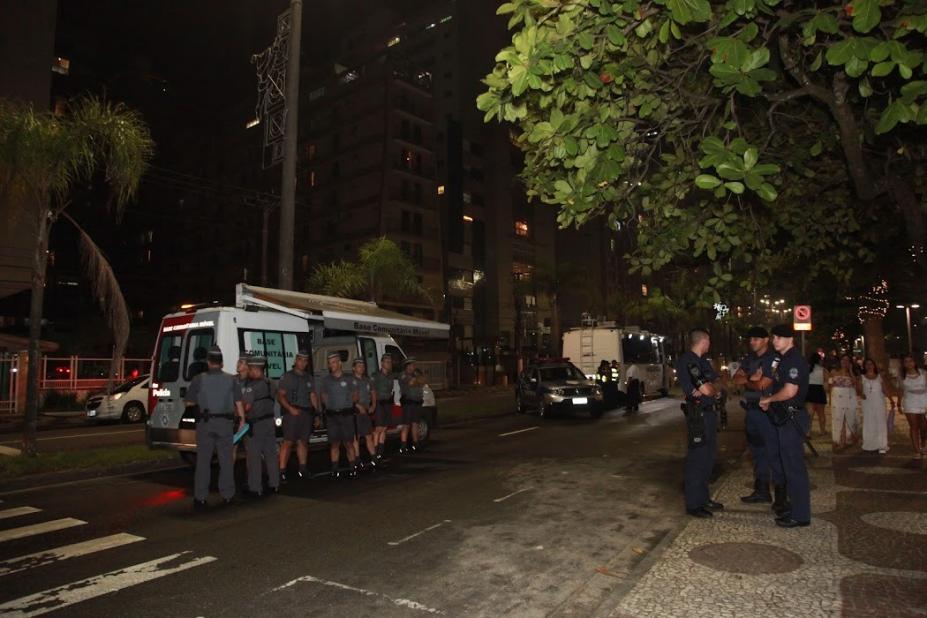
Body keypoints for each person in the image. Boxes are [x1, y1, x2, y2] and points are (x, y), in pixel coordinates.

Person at [760, 325, 811, 528]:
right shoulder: (782, 360)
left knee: (794, 468)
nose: (774, 341)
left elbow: (790, 391)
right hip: (785, 417)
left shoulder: (794, 360)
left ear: (790, 339)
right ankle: (796, 508)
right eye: (774, 337)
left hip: (793, 417)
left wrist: (769, 399)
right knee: (789, 466)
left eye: (779, 337)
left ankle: (801, 515)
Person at [184, 345, 243, 509]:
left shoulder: (198, 379)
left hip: (205, 424)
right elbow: (239, 403)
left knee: (203, 462)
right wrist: (242, 421)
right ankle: (228, 495)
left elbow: (189, 402)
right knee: (226, 461)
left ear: (209, 362)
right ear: (222, 363)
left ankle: (200, 498)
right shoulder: (232, 380)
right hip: (225, 424)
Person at [675, 328, 724, 518]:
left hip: (710, 414)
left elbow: (718, 383)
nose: (709, 344)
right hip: (698, 416)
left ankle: (704, 498)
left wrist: (711, 388)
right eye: (709, 341)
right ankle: (694, 504)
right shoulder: (688, 361)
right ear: (703, 341)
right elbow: (708, 389)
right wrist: (710, 388)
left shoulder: (702, 361)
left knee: (709, 457)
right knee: (697, 459)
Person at [732, 327, 783, 508]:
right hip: (751, 410)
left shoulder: (773, 358)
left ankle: (781, 498)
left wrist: (749, 380)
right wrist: (750, 379)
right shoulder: (749, 358)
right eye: (751, 339)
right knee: (757, 452)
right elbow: (736, 379)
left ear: (766, 340)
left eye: (756, 339)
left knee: (773, 453)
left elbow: (763, 385)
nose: (752, 342)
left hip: (767, 411)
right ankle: (761, 491)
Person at [277, 349, 318, 482]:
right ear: (295, 361)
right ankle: (281, 471)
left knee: (303, 442)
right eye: (300, 359)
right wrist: (289, 408)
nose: (302, 362)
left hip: (306, 413)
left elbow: (312, 396)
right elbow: (280, 396)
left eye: (305, 360)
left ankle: (302, 469)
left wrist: (316, 414)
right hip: (292, 413)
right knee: (288, 442)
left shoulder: (308, 378)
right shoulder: (287, 376)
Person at [241, 355, 280, 497]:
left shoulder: (252, 387)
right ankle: (274, 484)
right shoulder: (271, 383)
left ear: (256, 370)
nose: (249, 372)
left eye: (250, 369)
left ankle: (255, 487)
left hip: (256, 424)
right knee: (270, 455)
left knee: (254, 456)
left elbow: (247, 406)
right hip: (269, 423)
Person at [320, 351, 359, 478]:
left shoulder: (349, 378)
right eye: (329, 363)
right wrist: (331, 406)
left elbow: (355, 396)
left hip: (346, 416)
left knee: (348, 443)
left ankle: (353, 468)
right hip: (332, 417)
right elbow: (323, 396)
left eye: (333, 362)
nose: (331, 365)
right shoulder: (326, 380)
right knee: (334, 444)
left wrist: (345, 404)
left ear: (339, 363)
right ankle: (334, 469)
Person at [828, 354, 861, 450]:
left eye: (847, 360)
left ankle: (851, 438)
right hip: (837, 399)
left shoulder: (853, 373)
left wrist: (850, 370)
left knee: (849, 419)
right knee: (839, 420)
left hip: (849, 398)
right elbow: (830, 386)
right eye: (843, 360)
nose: (845, 362)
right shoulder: (834, 372)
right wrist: (830, 400)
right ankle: (840, 441)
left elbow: (856, 384)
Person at [350, 358, 377, 470]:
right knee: (356, 437)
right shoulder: (350, 380)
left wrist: (373, 405)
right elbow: (348, 396)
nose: (362, 368)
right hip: (355, 412)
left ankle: (375, 459)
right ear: (353, 368)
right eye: (359, 365)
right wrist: (357, 405)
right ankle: (357, 460)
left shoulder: (367, 380)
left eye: (363, 365)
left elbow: (373, 392)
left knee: (368, 435)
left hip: (366, 411)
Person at [899, 354, 927, 459]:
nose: (909, 363)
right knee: (914, 427)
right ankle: (916, 450)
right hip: (910, 402)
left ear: (914, 362)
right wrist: (898, 403)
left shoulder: (924, 373)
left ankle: (923, 442)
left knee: (924, 427)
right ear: (904, 364)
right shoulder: (902, 375)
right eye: (906, 361)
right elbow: (901, 390)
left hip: (924, 401)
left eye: (910, 361)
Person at [860, 358, 890, 454]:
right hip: (867, 403)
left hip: (879, 402)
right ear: (864, 366)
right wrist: (861, 394)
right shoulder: (862, 377)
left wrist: (892, 401)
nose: (869, 366)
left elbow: (885, 391)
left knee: (880, 423)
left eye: (871, 364)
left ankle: (882, 445)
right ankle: (869, 444)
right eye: (867, 364)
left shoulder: (879, 377)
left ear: (874, 365)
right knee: (869, 422)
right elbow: (859, 391)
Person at [370, 353, 396, 461]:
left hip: (388, 405)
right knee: (378, 429)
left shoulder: (391, 376)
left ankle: (380, 452)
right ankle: (374, 454)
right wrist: (374, 404)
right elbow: (373, 391)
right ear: (382, 363)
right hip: (380, 404)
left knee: (384, 429)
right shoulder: (376, 376)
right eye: (387, 362)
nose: (389, 364)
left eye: (390, 362)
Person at [399, 358, 425, 453]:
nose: (413, 367)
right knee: (406, 425)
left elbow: (423, 381)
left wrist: (417, 380)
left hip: (417, 403)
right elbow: (411, 383)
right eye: (411, 365)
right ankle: (403, 446)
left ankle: (415, 444)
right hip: (408, 403)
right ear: (406, 366)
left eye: (414, 365)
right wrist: (417, 380)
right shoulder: (403, 375)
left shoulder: (415, 374)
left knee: (415, 424)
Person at [806, 352, 828, 436]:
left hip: (809, 390)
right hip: (819, 390)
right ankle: (822, 431)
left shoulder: (807, 368)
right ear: (819, 360)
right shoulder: (823, 370)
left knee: (809, 414)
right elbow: (826, 382)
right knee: (821, 413)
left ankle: (808, 433)